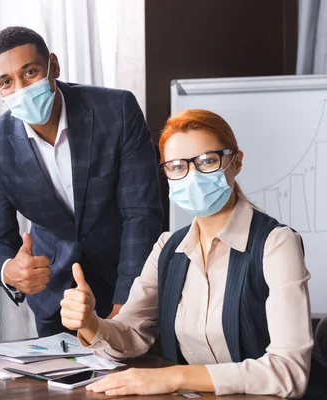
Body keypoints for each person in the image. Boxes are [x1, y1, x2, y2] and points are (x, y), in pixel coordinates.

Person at [59, 109, 314, 398]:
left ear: (236, 162)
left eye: (207, 161)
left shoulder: (276, 243)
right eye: (177, 167)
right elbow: (131, 335)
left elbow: (289, 371)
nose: (191, 176)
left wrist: (176, 377)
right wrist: (91, 323)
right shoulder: (168, 247)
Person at [0, 26, 163, 336]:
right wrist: (11, 269)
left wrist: (127, 303)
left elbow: (141, 214)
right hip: (56, 298)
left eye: (30, 72)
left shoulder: (116, 111)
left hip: (128, 283)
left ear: (53, 66)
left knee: (131, 380)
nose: (20, 88)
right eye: (6, 82)